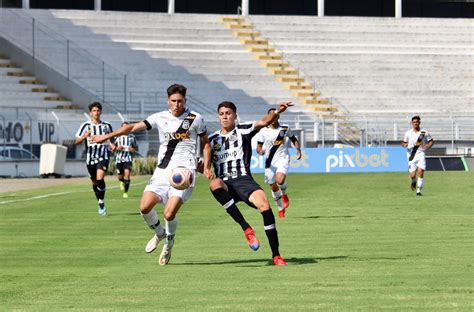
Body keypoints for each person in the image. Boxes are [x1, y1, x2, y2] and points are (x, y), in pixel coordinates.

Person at [91, 84, 209, 265]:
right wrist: (106, 137)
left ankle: (169, 243)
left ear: (185, 101)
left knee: (169, 214)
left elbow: (206, 143)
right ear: (168, 101)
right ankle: (160, 233)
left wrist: (206, 165)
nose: (177, 104)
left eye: (180, 101)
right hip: (162, 172)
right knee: (144, 207)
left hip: (184, 173)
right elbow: (131, 128)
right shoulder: (159, 117)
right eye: (173, 101)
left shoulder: (195, 118)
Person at [203, 101, 293, 266]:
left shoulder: (243, 130)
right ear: (218, 116)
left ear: (235, 116)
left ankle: (276, 255)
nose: (225, 116)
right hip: (225, 183)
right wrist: (206, 168)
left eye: (228, 113)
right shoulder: (212, 138)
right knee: (214, 184)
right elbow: (205, 156)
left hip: (244, 180)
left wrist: (278, 112)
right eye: (222, 113)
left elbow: (264, 122)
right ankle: (246, 228)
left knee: (265, 206)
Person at [256, 108, 302, 219]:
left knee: (280, 180)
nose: (272, 118)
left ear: (278, 117)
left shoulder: (285, 128)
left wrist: (298, 150)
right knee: (273, 185)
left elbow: (293, 139)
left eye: (274, 116)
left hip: (283, 158)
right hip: (269, 162)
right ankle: (281, 208)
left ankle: (284, 193)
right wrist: (260, 151)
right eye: (270, 116)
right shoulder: (263, 131)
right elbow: (259, 146)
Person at [75, 102, 115, 216]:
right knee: (94, 181)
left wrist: (113, 146)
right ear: (90, 113)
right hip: (90, 158)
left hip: (103, 155)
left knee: (100, 177)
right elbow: (76, 141)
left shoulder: (107, 126)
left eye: (98, 110)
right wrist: (85, 136)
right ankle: (100, 201)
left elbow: (112, 140)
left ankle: (102, 202)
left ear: (101, 112)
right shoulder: (85, 126)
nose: (96, 113)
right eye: (94, 111)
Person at [401, 116, 434, 196]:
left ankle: (418, 191)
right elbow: (403, 143)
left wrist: (427, 146)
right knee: (413, 175)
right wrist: (405, 145)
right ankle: (413, 181)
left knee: (421, 171)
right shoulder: (408, 133)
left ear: (419, 122)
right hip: (411, 155)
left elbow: (431, 141)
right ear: (412, 123)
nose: (415, 123)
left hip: (420, 153)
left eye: (417, 122)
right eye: (414, 122)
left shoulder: (424, 132)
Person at [114, 122, 138, 198]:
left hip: (128, 159)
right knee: (120, 177)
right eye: (124, 127)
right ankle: (121, 182)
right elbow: (111, 147)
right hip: (119, 159)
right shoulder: (117, 137)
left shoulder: (132, 137)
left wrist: (133, 149)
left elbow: (136, 148)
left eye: (127, 127)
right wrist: (117, 148)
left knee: (127, 174)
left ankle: (125, 192)